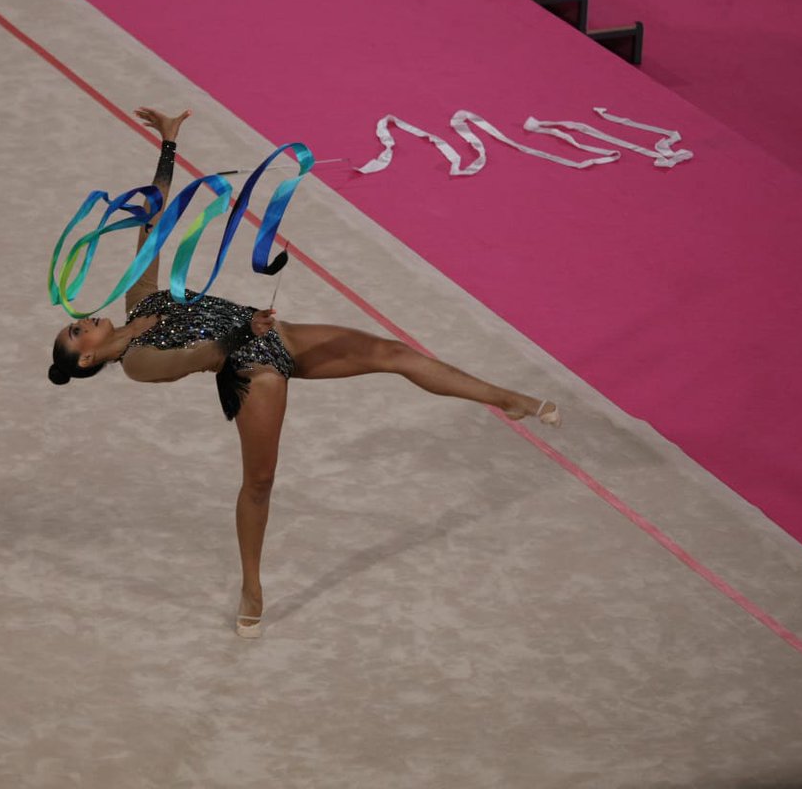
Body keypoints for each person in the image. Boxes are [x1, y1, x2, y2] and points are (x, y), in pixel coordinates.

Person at [50, 107, 561, 639]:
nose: (80, 322)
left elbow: (155, 219)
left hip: (274, 334)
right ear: (87, 358)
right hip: (251, 370)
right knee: (260, 483)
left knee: (391, 353)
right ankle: (252, 585)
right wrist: (243, 330)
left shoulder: (138, 298)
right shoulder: (135, 364)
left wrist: (169, 144)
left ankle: (508, 399)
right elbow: (198, 357)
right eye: (75, 334)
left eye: (73, 323)